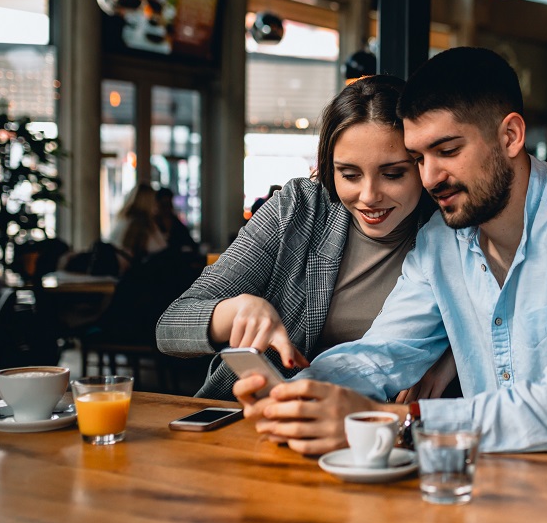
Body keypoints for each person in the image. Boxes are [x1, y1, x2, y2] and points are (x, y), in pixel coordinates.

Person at [233, 47, 547, 454]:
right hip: (508, 494)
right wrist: (299, 396)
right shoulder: (440, 241)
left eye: (447, 149)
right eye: (418, 159)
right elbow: (382, 352)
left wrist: (400, 423)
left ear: (510, 136)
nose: (430, 177)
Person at [156, 75, 448, 401]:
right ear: (329, 168)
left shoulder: (447, 230)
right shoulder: (298, 209)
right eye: (349, 174)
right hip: (261, 416)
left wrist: (447, 359)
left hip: (377, 430)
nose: (369, 196)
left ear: (422, 167)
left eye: (393, 174)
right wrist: (234, 311)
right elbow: (169, 327)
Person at [107, 184, 166, 272]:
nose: (156, 205)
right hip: (131, 276)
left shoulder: (124, 219)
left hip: (116, 272)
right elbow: (161, 250)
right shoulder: (142, 224)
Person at [155, 187, 196, 251]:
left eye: (168, 203)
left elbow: (191, 244)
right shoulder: (152, 225)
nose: (166, 208)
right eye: (163, 204)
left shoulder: (177, 224)